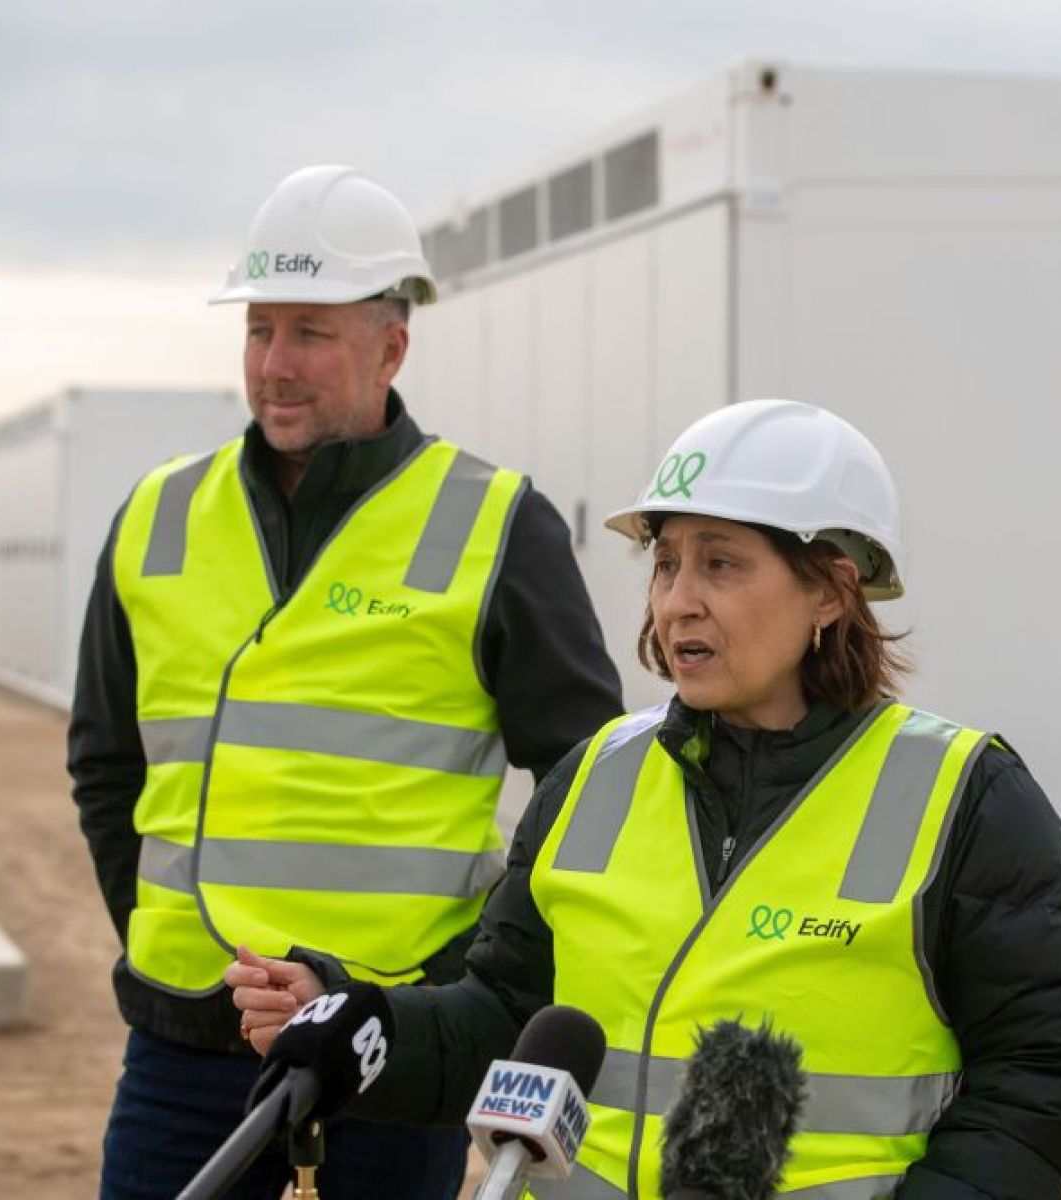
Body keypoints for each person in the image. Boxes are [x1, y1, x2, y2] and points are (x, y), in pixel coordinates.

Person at [233, 399, 1061, 1198]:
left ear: (828, 589)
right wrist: (358, 1019)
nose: (676, 603)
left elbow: (1043, 1075)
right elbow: (504, 1017)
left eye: (721, 564)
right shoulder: (592, 778)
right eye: (665, 564)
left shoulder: (966, 797)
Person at [68, 164, 623, 1200]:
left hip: (389, 1041)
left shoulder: (493, 523)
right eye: (258, 328)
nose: (274, 364)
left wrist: (469, 980)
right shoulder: (158, 516)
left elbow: (589, 792)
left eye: (310, 333)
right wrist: (174, 944)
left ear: (391, 345)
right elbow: (104, 763)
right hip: (184, 1038)